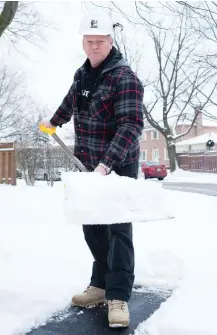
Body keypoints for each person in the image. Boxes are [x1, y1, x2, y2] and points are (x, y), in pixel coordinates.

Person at [40, 13, 144, 328]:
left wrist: (107, 165)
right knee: (93, 227)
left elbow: (131, 126)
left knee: (118, 231)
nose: (94, 46)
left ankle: (119, 297)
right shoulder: (83, 74)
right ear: (83, 43)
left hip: (118, 165)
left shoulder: (124, 77)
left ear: (110, 42)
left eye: (100, 41)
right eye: (89, 41)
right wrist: (54, 121)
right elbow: (70, 102)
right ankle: (99, 285)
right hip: (87, 163)